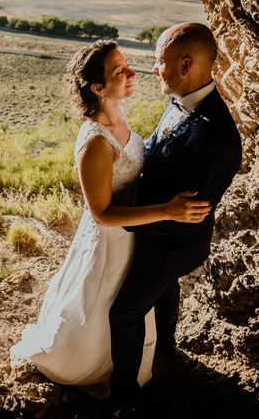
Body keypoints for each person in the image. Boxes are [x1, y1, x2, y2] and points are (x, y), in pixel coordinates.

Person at [9, 39, 212, 390]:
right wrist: (168, 210)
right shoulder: (96, 144)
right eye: (121, 71)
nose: (133, 73)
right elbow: (101, 213)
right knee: (105, 309)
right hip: (111, 241)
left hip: (135, 232)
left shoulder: (118, 117)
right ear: (98, 88)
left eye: (128, 64)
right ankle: (91, 365)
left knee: (129, 308)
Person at [108, 23, 242, 415]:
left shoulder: (217, 139)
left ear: (186, 65)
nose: (154, 70)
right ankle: (166, 346)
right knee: (165, 290)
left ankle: (124, 398)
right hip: (162, 238)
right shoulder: (180, 99)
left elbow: (186, 215)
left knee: (124, 313)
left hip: (170, 245)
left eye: (159, 62)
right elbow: (156, 148)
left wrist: (123, 220)